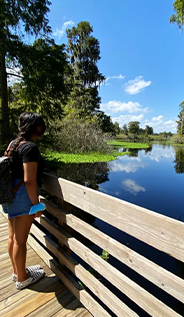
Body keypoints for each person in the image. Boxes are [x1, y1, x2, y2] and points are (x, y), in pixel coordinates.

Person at [2, 112, 46, 290]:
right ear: (37, 128)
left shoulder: (14, 144)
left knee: (12, 237)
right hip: (22, 196)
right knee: (20, 240)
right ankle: (23, 278)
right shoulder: (30, 148)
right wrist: (36, 204)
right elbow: (29, 180)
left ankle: (17, 272)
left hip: (10, 194)